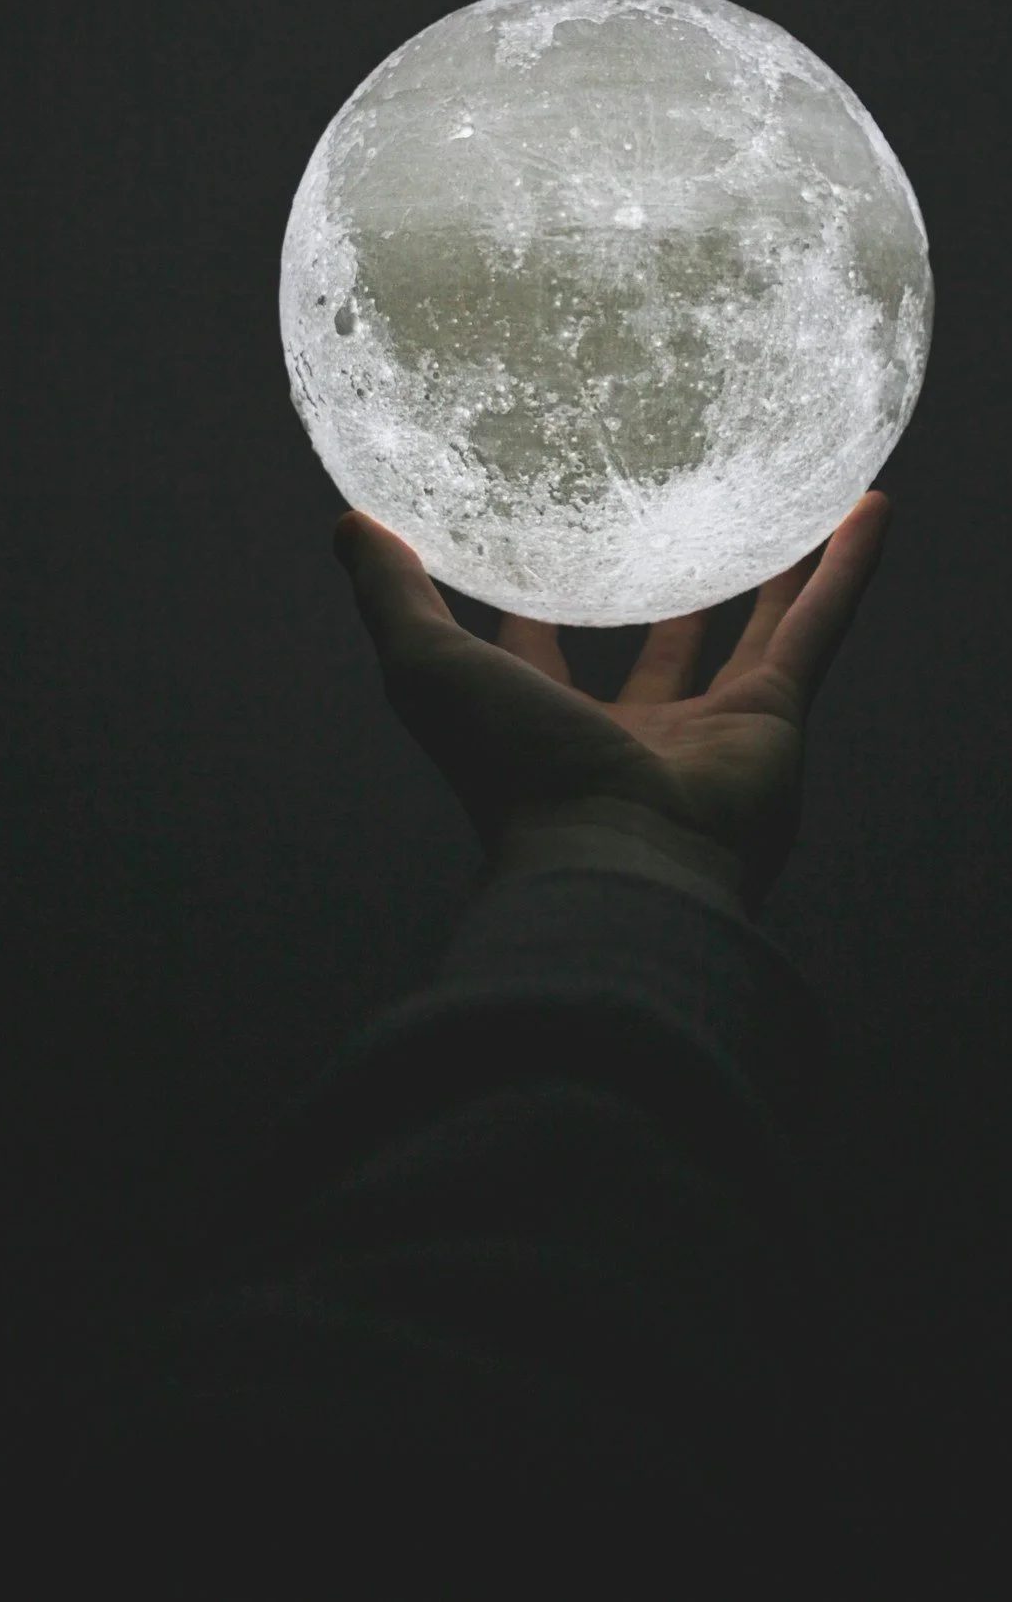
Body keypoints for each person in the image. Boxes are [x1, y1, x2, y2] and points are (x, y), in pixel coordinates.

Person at [75, 491, 893, 1588]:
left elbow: (462, 1372)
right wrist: (634, 849)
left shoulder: (226, 1483)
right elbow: (528, 1377)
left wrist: (612, 841)